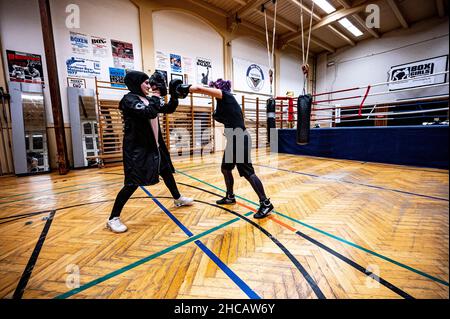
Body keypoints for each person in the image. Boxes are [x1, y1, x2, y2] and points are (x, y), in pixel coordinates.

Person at [106, 70, 194, 233]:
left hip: (155, 146)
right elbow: (148, 112)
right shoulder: (129, 100)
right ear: (135, 83)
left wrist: (174, 96)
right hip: (137, 150)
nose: (149, 85)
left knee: (166, 171)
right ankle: (113, 218)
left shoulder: (147, 99)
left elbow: (168, 109)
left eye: (149, 83)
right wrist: (157, 95)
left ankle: (177, 199)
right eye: (145, 82)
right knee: (132, 183)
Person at [176, 79, 274, 219]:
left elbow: (199, 88)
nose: (212, 90)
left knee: (248, 173)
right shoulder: (221, 103)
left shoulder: (226, 95)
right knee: (226, 168)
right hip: (233, 139)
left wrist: (185, 88)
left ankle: (265, 203)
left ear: (219, 88)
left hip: (240, 139)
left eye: (214, 88)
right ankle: (230, 196)